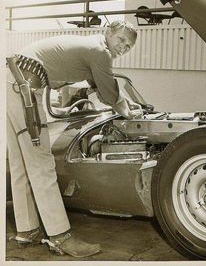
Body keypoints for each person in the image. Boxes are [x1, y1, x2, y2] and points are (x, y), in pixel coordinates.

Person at [6, 21, 142, 258]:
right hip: (24, 88)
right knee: (42, 164)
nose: (123, 47)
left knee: (21, 165)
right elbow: (110, 94)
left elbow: (102, 87)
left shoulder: (91, 47)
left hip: (11, 80)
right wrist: (128, 111)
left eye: (128, 46)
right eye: (121, 40)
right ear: (108, 32)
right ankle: (60, 237)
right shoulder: (100, 51)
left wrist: (124, 103)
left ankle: (27, 231)